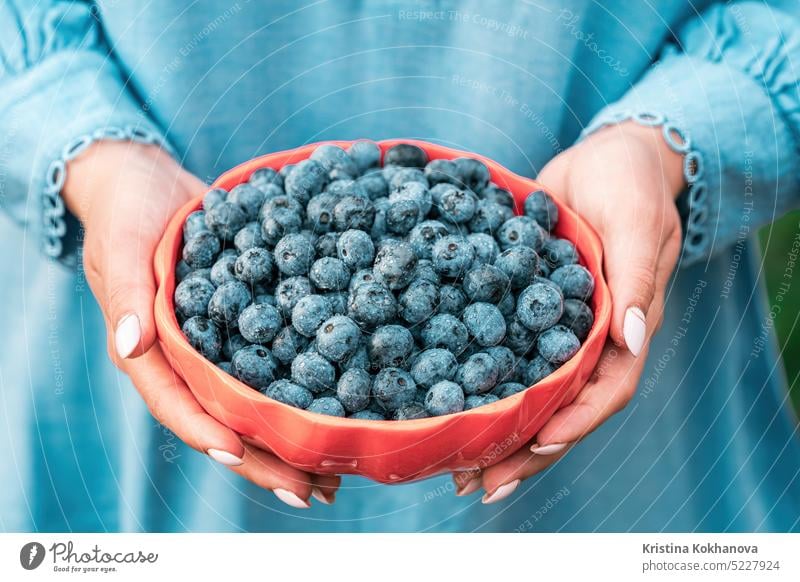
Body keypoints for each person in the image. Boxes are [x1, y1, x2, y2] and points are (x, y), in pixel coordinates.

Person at [1, 0, 798, 532]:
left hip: (631, 408)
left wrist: (658, 150)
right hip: (132, 295)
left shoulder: (486, 284)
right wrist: (96, 160)